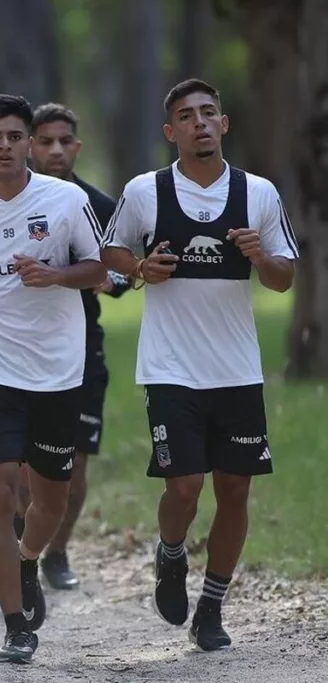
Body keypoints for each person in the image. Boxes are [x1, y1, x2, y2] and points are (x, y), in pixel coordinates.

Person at [101, 78, 297, 651]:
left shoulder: (258, 193)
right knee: (183, 487)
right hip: (170, 367)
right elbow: (113, 254)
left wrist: (260, 255)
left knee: (234, 490)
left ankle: (212, 605)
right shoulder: (145, 192)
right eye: (186, 116)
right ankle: (170, 553)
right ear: (171, 132)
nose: (200, 123)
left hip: (237, 369)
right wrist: (141, 268)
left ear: (224, 123)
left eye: (209, 113)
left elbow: (284, 280)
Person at [0, 94, 106, 664]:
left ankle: (28, 557)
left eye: (15, 136)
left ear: (28, 143)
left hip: (58, 373)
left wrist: (56, 276)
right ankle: (14, 625)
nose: (5, 146)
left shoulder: (64, 199)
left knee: (50, 501)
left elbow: (100, 268)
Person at [12, 102, 130, 590]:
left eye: (65, 141)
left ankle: (56, 551)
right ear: (29, 145)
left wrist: (108, 281)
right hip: (16, 346)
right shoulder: (5, 200)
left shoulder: (99, 205)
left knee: (74, 460)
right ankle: (24, 545)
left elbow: (125, 268)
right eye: (46, 141)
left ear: (77, 147)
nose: (56, 150)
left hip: (82, 348)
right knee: (19, 461)